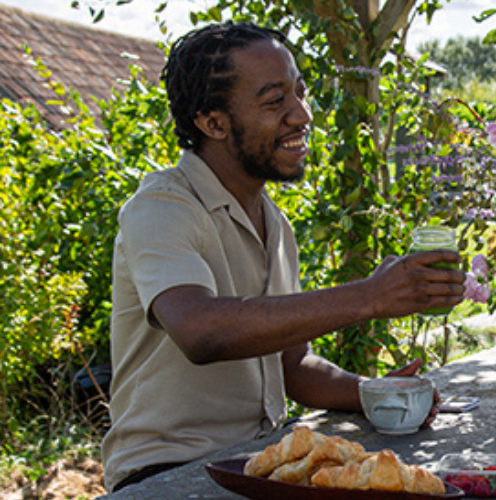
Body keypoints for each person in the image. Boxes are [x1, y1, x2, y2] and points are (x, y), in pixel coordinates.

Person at [102, 22, 465, 492]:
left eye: (299, 92)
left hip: (255, 463)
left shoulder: (274, 222)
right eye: (275, 102)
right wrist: (371, 296)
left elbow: (292, 365)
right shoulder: (161, 207)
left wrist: (372, 390)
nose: (301, 115)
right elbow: (201, 330)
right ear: (212, 122)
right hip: (164, 472)